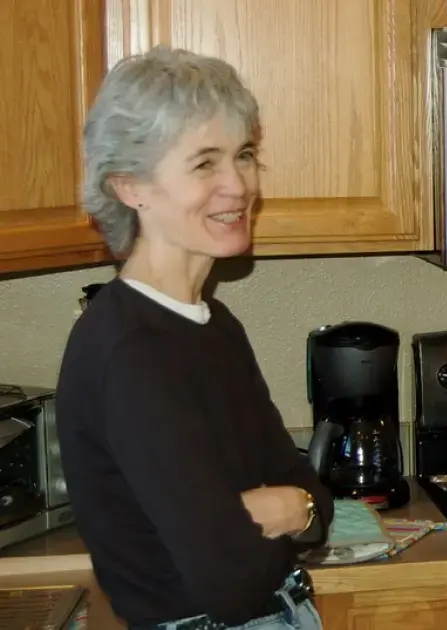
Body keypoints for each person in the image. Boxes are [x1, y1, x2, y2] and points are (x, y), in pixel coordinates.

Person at [56, 47, 335, 630]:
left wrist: (288, 508)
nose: (237, 185)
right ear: (131, 187)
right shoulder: (130, 349)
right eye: (204, 163)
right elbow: (227, 577)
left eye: (245, 155)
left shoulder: (213, 325)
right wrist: (280, 512)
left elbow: (314, 503)